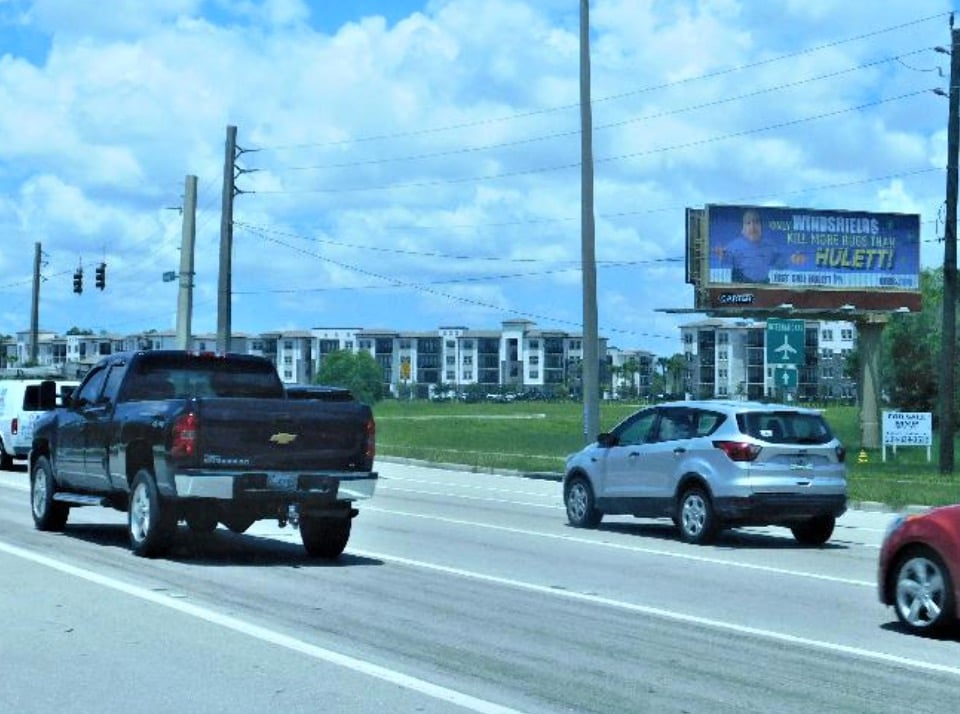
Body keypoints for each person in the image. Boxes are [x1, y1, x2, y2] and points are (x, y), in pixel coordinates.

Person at [715, 208, 798, 284]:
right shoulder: (734, 245)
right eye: (748, 223)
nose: (753, 227)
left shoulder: (769, 246)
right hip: (741, 286)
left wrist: (791, 259)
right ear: (742, 229)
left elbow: (779, 264)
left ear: (761, 227)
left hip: (763, 286)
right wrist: (722, 255)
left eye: (756, 222)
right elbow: (726, 262)